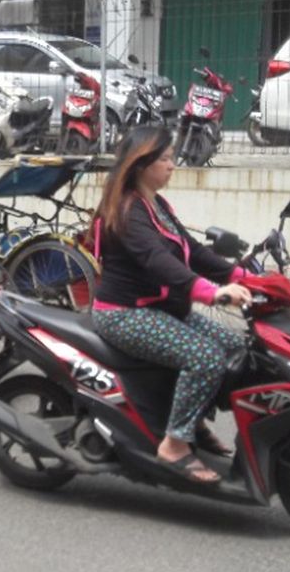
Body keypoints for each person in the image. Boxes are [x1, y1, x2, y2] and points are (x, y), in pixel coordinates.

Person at [91, 126, 252, 485]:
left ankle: (191, 421)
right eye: (165, 158)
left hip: (161, 308)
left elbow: (190, 250)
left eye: (171, 157)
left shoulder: (157, 204)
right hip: (125, 314)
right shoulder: (129, 211)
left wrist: (240, 274)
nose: (172, 165)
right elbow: (157, 262)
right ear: (141, 164)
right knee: (205, 357)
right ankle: (175, 444)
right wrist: (211, 292)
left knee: (236, 345)